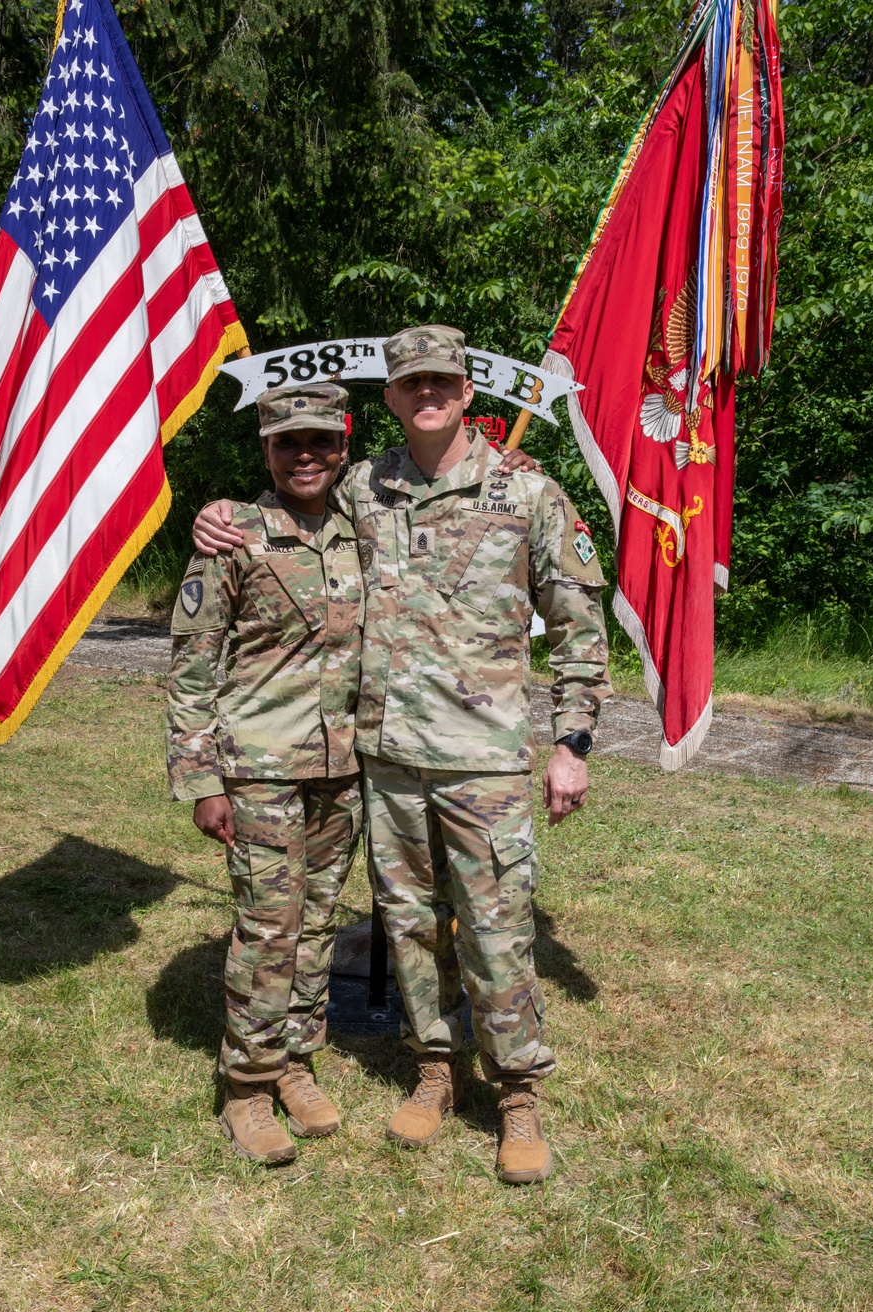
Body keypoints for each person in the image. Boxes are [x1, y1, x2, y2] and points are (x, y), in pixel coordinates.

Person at [193, 326, 611, 1185]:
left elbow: (579, 629)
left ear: (467, 392)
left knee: (496, 931)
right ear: (389, 397)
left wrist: (571, 742)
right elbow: (290, 511)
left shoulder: (527, 493)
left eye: (443, 382)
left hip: (483, 760)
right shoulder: (365, 486)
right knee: (412, 926)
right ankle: (434, 1069)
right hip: (382, 758)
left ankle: (519, 1092)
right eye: (411, 383)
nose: (428, 395)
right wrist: (216, 516)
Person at [167, 383, 364, 1167]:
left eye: (320, 440)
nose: (306, 454)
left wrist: (510, 457)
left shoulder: (363, 530)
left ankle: (294, 1061)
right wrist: (200, 777)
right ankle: (245, 1085)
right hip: (259, 771)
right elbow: (191, 668)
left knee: (318, 923)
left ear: (342, 447)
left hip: (343, 770)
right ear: (267, 451)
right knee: (267, 925)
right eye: (289, 442)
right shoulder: (230, 537)